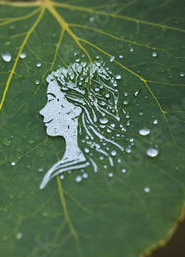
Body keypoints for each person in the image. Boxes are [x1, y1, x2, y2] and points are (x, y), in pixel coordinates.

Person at [40, 61, 126, 189]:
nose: (42, 111)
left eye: (52, 99)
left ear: (76, 108)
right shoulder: (112, 162)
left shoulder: (70, 171)